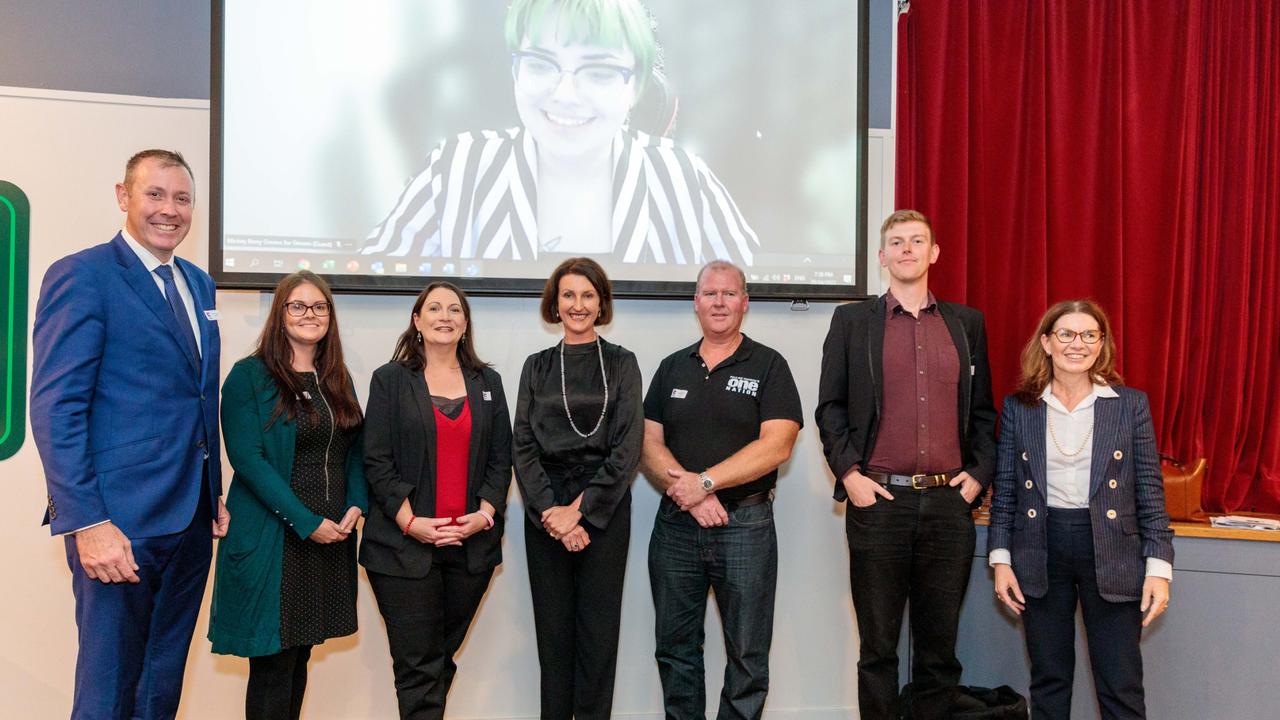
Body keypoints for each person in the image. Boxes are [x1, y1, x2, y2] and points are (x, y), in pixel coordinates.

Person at [30, 149, 228, 719]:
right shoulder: (83, 275)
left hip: (189, 520)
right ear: (124, 196)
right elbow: (55, 407)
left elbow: (195, 398)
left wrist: (210, 489)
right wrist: (87, 522)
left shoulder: (199, 284)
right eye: (155, 194)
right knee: (108, 690)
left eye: (182, 198)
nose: (170, 210)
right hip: (116, 524)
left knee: (159, 689)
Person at [361, 0, 758, 266]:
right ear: (515, 70)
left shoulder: (683, 177)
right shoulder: (457, 165)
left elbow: (750, 291)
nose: (564, 94)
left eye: (599, 71)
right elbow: (373, 275)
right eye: (540, 64)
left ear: (635, 85)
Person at [815, 209, 997, 720]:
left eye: (918, 241)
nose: (908, 250)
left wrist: (977, 477)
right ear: (882, 256)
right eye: (897, 242)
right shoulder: (852, 322)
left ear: (934, 253)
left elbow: (983, 412)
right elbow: (830, 407)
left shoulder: (967, 323)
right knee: (878, 650)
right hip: (879, 503)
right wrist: (850, 477)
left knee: (939, 652)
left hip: (948, 505)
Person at [989, 300, 1173, 720]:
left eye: (1089, 334)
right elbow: (1006, 493)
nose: (1078, 344)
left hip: (1112, 551)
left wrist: (1159, 569)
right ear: (1047, 343)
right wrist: (1001, 561)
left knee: (1120, 684)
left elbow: (1149, 489)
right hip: (1039, 548)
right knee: (1049, 682)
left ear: (1101, 344)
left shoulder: (1129, 404)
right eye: (1066, 334)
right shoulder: (1020, 407)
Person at [641, 260, 802, 720]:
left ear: (744, 303)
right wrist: (689, 494)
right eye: (709, 293)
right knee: (675, 650)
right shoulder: (672, 367)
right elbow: (648, 442)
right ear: (696, 303)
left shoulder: (770, 365)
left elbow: (778, 444)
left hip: (746, 526)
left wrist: (706, 483)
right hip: (675, 526)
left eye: (729, 293)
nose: (719, 301)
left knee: (748, 656)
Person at [208, 271, 366, 719]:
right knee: (274, 665)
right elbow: (249, 459)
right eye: (297, 305)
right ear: (280, 315)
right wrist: (306, 521)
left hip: (329, 537)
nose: (309, 315)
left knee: (300, 657)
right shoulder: (249, 376)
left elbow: (354, 445)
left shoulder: (336, 377)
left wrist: (356, 502)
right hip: (274, 539)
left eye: (319, 307)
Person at [361, 281, 513, 719]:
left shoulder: (488, 381)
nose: (444, 316)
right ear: (417, 321)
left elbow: (501, 459)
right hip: (402, 549)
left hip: (471, 550)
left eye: (454, 310)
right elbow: (377, 459)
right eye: (434, 308)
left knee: (438, 661)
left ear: (465, 324)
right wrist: (411, 523)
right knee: (418, 667)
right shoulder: (390, 380)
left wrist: (484, 516)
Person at [513, 257, 643, 719]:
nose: (577, 304)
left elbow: (628, 448)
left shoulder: (623, 363)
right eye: (568, 295)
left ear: (602, 302)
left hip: (603, 510)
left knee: (598, 639)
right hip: (545, 511)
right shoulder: (536, 366)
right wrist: (555, 513)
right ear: (555, 302)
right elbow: (523, 447)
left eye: (587, 295)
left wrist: (582, 512)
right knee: (554, 640)